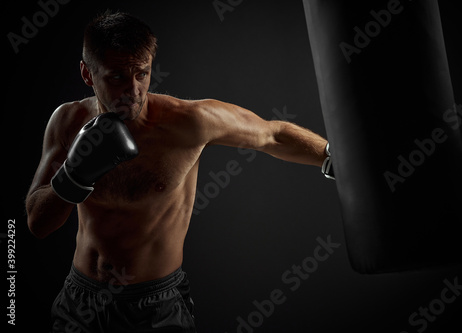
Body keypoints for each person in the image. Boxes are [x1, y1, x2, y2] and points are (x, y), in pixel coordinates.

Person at [25, 11, 334, 332]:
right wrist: (73, 177)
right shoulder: (67, 121)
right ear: (88, 74)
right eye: (116, 77)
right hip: (80, 301)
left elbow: (272, 134)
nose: (133, 90)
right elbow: (38, 223)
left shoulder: (187, 123)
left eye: (142, 74)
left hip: (155, 306)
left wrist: (335, 159)